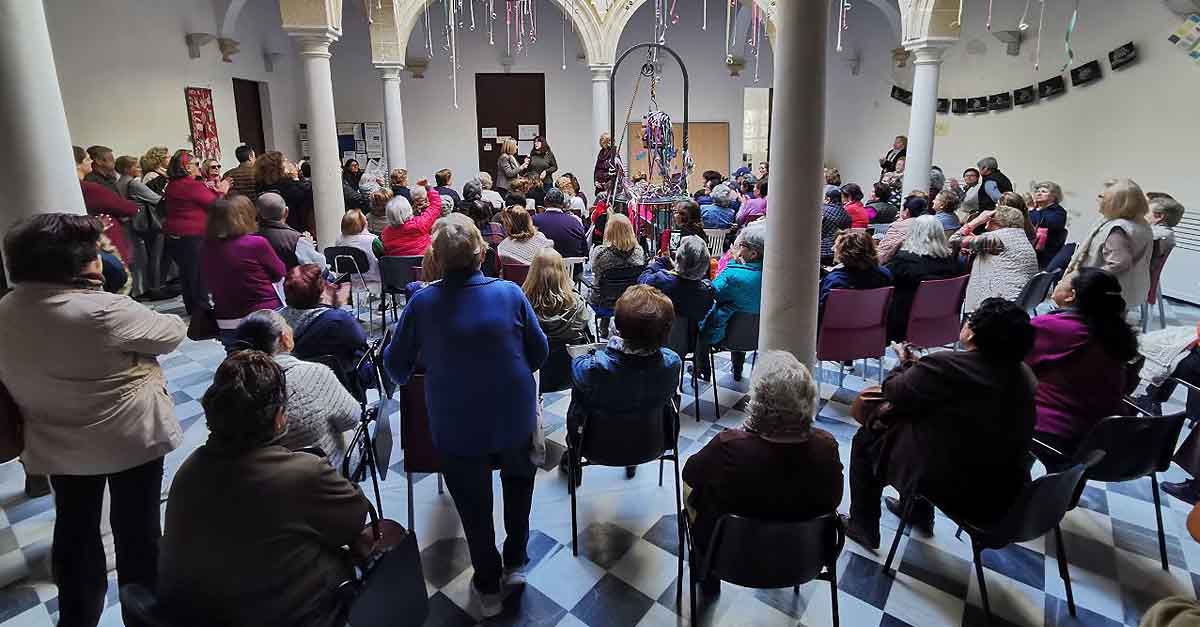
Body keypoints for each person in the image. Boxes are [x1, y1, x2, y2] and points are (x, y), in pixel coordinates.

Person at [0, 213, 187, 627]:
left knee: (75, 529)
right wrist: (113, 289)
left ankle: (77, 618)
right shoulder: (103, 310)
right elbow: (171, 332)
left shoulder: (7, 308)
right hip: (128, 438)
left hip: (55, 441)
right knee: (137, 532)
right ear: (78, 265)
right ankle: (145, 616)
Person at [384, 214, 547, 618]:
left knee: (474, 508)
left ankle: (488, 585)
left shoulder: (422, 302)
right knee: (518, 489)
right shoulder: (509, 293)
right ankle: (516, 561)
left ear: (435, 259)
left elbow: (397, 368)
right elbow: (540, 353)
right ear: (481, 253)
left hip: (458, 424)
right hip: (513, 415)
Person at [158, 350, 369, 627]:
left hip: (194, 614)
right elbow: (354, 520)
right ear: (280, 416)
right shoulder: (302, 473)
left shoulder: (188, 470)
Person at [843, 298, 1037, 548]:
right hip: (1002, 489)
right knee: (930, 428)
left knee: (867, 439)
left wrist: (903, 364)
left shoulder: (948, 366)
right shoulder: (1024, 375)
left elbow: (893, 390)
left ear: (975, 332)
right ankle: (917, 510)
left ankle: (863, 525)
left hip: (958, 485)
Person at [683, 351, 842, 575]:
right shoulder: (827, 447)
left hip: (730, 557)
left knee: (695, 490)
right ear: (809, 397)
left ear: (758, 401)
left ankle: (705, 575)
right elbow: (834, 499)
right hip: (803, 558)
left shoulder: (729, 446)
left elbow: (690, 473)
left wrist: (745, 431)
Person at [567, 284, 682, 481]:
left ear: (617, 327)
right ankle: (631, 462)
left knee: (580, 397)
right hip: (653, 442)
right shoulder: (672, 362)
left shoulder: (594, 368)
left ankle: (571, 457)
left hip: (596, 447)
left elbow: (576, 364)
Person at [1027, 268, 1138, 456]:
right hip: (1099, 437)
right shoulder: (1114, 331)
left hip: (1054, 431)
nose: (1059, 281)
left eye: (1064, 279)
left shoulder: (1055, 328)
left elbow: (1009, 362)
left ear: (1071, 295)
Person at [232, 310, 361, 466]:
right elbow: (351, 418)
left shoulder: (232, 387)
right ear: (284, 338)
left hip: (261, 479)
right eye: (287, 324)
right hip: (322, 474)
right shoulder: (314, 374)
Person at [201, 196, 286, 349]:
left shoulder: (207, 247)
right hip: (264, 314)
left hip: (226, 318)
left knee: (237, 360)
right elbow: (279, 272)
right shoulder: (256, 243)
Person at [1065, 178, 1154, 308]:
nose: (1098, 200)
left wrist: (1083, 276)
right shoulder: (1140, 222)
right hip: (1128, 289)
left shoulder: (1118, 229)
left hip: (1104, 292)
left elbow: (1119, 263)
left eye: (1102, 197)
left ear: (1117, 203)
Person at [162, 149, 228, 314]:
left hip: (175, 235)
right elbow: (215, 204)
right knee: (198, 275)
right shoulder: (190, 185)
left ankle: (193, 308)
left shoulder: (172, 184)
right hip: (192, 235)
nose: (199, 168)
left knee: (187, 274)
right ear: (186, 167)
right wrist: (222, 191)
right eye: (196, 164)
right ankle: (203, 312)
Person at [699, 221, 765, 381]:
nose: (738, 248)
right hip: (758, 335)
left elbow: (713, 292)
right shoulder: (771, 273)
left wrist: (732, 263)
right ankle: (737, 369)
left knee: (700, 326)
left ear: (753, 253)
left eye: (742, 245)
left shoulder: (733, 274)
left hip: (725, 334)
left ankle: (701, 369)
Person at [885, 215, 963, 341]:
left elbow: (886, 282)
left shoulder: (904, 260)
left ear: (913, 232)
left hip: (904, 322)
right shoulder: (951, 262)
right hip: (941, 318)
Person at [953, 206, 1040, 312]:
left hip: (1000, 305)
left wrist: (976, 221)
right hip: (1020, 299)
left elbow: (954, 240)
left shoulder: (995, 238)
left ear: (995, 222)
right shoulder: (1020, 236)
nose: (985, 224)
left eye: (988, 220)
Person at [76, 146, 137, 268]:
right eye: (87, 159)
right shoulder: (90, 186)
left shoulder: (107, 179)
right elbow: (124, 206)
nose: (91, 162)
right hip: (105, 237)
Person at [115, 155, 165, 300]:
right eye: (136, 166)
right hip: (148, 223)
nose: (139, 169)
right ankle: (156, 288)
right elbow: (157, 199)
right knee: (155, 256)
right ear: (127, 169)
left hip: (132, 224)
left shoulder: (118, 183)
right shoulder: (134, 184)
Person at [523, 248, 594, 346]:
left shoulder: (522, 304)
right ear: (562, 271)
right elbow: (582, 326)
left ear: (533, 272)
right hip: (568, 357)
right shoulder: (577, 304)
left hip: (536, 357)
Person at [589, 213, 647, 332]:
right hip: (631, 300)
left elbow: (595, 271)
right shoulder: (639, 252)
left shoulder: (600, 253)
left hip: (604, 302)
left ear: (609, 231)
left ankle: (603, 329)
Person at [639, 235, 716, 323]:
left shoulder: (661, 280)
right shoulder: (707, 291)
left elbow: (642, 280)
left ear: (678, 257)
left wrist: (659, 262)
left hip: (659, 332)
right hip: (691, 335)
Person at [819, 231, 892, 317]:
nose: (832, 248)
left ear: (845, 252)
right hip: (872, 327)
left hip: (835, 329)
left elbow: (821, 312)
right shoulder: (884, 274)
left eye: (836, 246)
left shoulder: (834, 280)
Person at [255, 151, 315, 235]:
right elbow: (308, 195)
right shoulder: (292, 188)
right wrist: (297, 179)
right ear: (281, 168)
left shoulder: (261, 188)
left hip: (268, 233)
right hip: (296, 232)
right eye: (286, 161)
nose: (290, 164)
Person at [379, 183, 443, 258]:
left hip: (397, 268)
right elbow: (436, 205)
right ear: (408, 209)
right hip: (423, 266)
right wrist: (429, 188)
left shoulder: (385, 234)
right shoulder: (419, 224)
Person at [256, 191, 307, 270]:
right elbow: (319, 267)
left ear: (257, 213)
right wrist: (308, 243)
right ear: (286, 212)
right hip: (290, 281)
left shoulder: (248, 237)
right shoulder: (296, 240)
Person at [533, 188, 588, 258]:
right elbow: (585, 252)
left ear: (545, 202)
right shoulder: (575, 222)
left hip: (542, 266)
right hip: (571, 267)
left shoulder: (534, 220)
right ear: (563, 204)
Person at [877, 196, 931, 264]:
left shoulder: (899, 226)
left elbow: (884, 253)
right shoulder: (932, 224)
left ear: (907, 211)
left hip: (904, 268)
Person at [335, 209, 381, 288]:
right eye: (365, 220)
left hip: (348, 282)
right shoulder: (372, 240)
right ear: (362, 224)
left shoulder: (339, 241)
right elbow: (385, 256)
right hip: (374, 281)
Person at [1029, 180, 1069, 268]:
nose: (1039, 194)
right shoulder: (1034, 210)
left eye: (1044, 192)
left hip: (1046, 256)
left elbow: (1044, 222)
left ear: (1054, 196)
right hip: (1030, 253)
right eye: (1037, 191)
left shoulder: (1059, 212)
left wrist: (1034, 210)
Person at [820, 186, 852, 266]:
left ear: (828, 199)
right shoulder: (846, 214)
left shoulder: (822, 210)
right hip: (836, 249)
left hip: (821, 249)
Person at [1148, 193, 1185, 263]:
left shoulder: (1155, 235)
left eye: (1146, 212)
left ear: (1159, 217)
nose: (1143, 214)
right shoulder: (1168, 233)